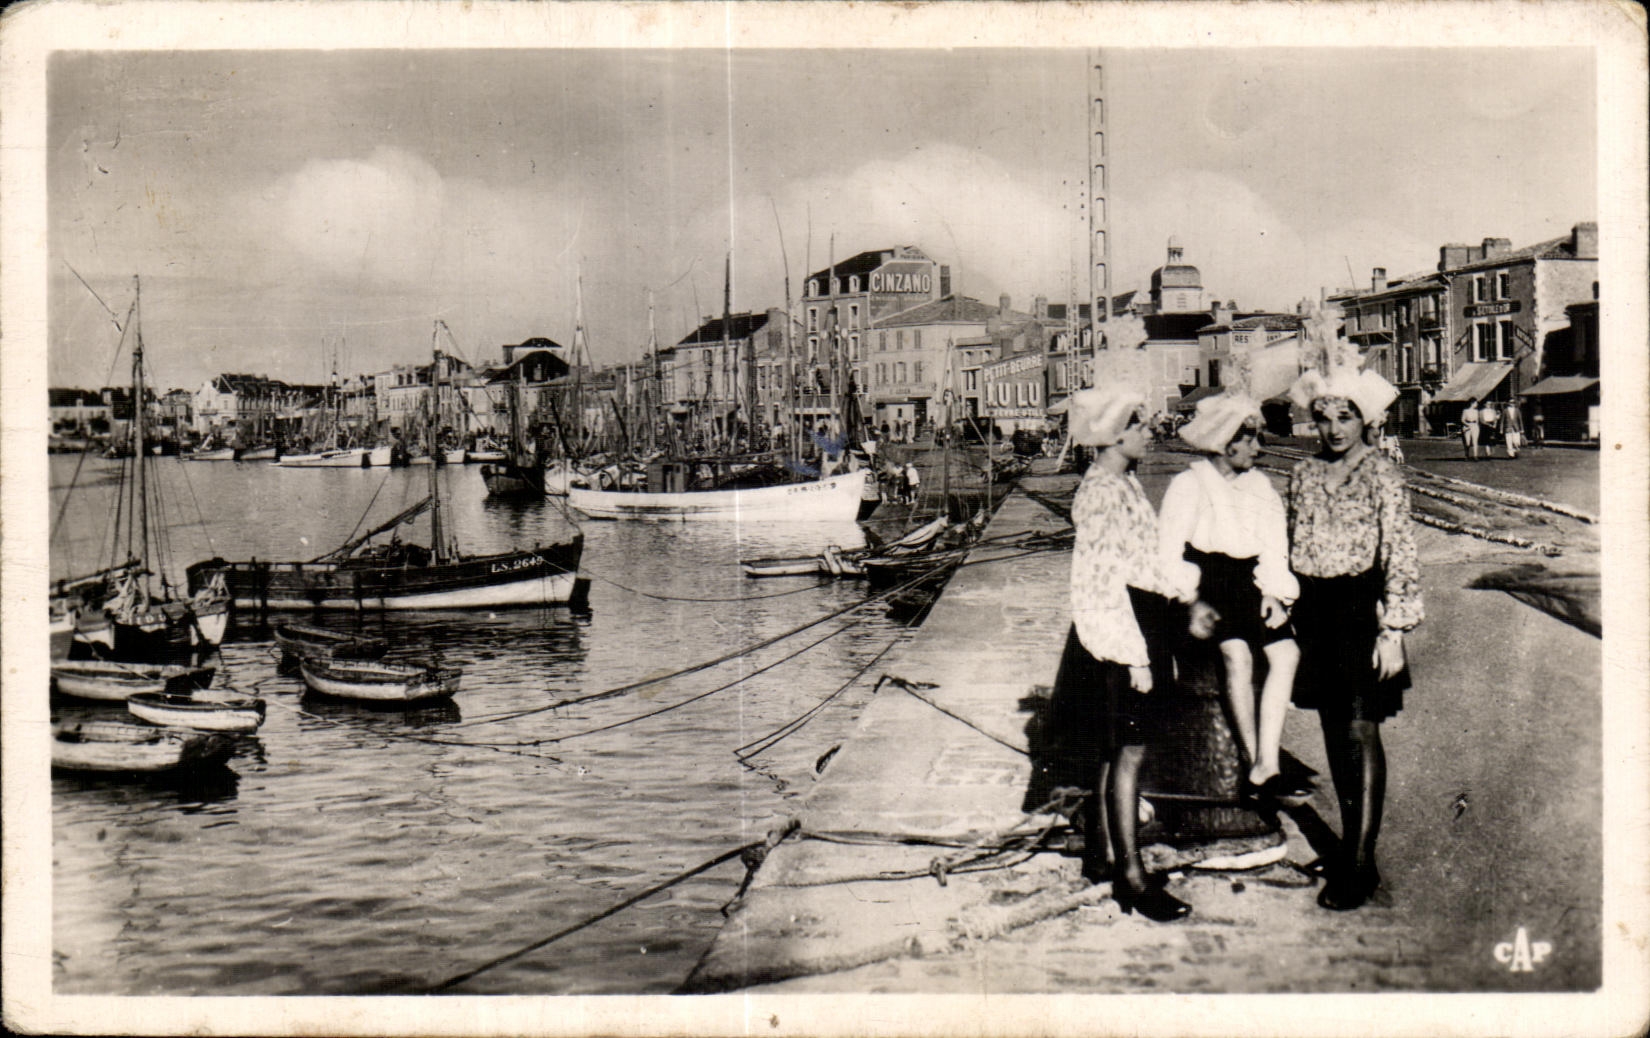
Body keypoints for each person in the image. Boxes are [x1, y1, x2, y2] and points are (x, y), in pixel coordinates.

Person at [1053, 383, 1196, 922]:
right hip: (1120, 629)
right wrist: (1133, 655)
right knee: (1129, 751)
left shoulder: (1124, 482)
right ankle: (1131, 878)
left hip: (1139, 621)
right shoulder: (1102, 493)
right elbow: (1098, 583)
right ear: (1113, 434)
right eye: (1137, 425)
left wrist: (1185, 587)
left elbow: (1144, 560)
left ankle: (1101, 852)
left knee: (1116, 750)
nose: (1147, 432)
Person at [1286, 366, 1422, 911]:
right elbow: (1288, 542)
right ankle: (1348, 846)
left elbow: (1401, 555)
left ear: (1365, 418)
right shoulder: (1303, 475)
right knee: (1333, 731)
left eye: (1345, 417)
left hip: (1361, 612)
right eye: (1324, 418)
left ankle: (1361, 864)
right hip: (1314, 614)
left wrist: (1393, 630)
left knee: (1362, 732)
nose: (1334, 428)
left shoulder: (1384, 475)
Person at [1159, 393, 1306, 800]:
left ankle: (1267, 760)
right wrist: (1189, 599)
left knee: (1286, 654)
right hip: (1205, 586)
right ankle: (1252, 754)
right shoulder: (1188, 485)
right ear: (1227, 442)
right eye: (1251, 440)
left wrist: (1275, 593)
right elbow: (1168, 551)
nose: (1258, 449)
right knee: (1237, 655)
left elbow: (1275, 547)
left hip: (1249, 584)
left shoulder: (1260, 487)